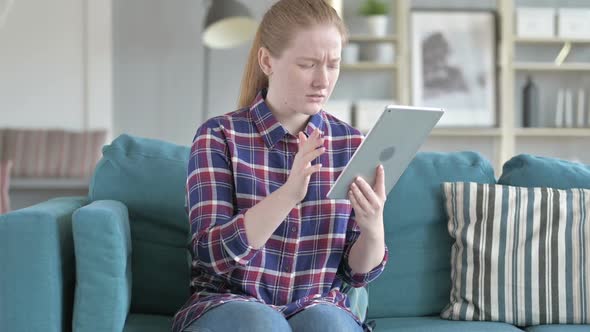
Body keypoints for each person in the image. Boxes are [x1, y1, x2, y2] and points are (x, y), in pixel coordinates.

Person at [172, 1, 388, 331]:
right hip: (229, 302)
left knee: (328, 323)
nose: (323, 80)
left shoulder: (351, 145)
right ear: (266, 60)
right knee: (262, 324)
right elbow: (211, 255)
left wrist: (373, 227)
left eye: (333, 65)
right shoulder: (219, 136)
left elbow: (357, 273)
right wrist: (287, 195)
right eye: (308, 64)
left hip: (316, 304)